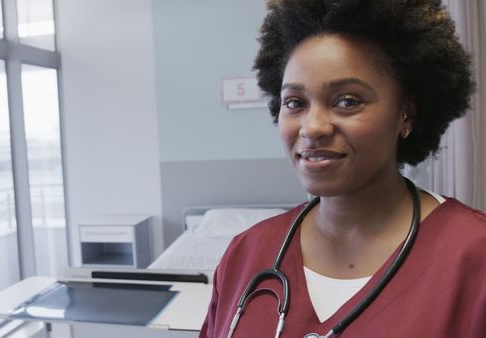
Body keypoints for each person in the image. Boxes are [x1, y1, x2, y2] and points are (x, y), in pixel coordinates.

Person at [199, 0, 485, 337]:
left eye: (347, 101)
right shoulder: (245, 254)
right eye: (295, 103)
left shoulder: (475, 258)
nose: (312, 127)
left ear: (405, 114)